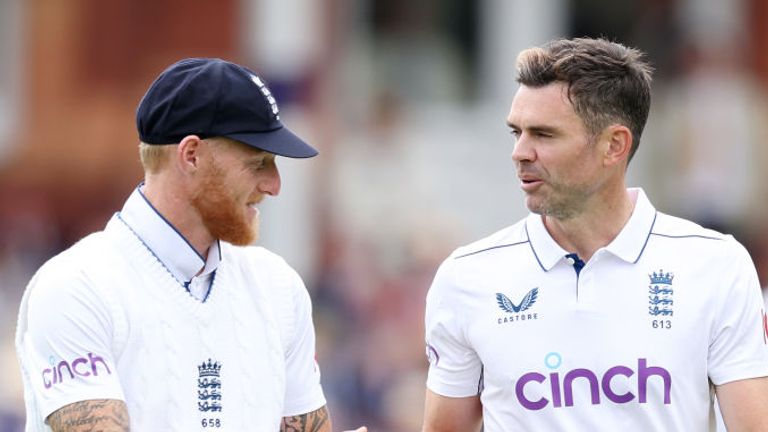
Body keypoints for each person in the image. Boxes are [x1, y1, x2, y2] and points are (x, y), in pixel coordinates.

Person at [422, 37, 768, 431]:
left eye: (544, 135)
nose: (520, 152)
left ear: (614, 146)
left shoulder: (716, 266)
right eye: (516, 132)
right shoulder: (466, 277)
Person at [15, 58, 366, 432]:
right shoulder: (78, 286)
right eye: (258, 162)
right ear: (191, 154)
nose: (273, 185)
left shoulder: (279, 286)